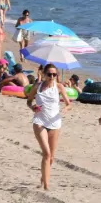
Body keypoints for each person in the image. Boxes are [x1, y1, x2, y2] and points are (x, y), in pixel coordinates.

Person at [27, 63, 72, 191]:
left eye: (54, 74)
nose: (52, 76)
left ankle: (43, 179)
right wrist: (33, 107)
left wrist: (66, 109)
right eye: (49, 74)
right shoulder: (37, 86)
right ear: (44, 74)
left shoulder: (59, 87)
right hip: (39, 121)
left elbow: (69, 104)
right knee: (46, 153)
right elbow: (29, 101)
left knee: (51, 157)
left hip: (55, 123)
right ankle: (46, 186)